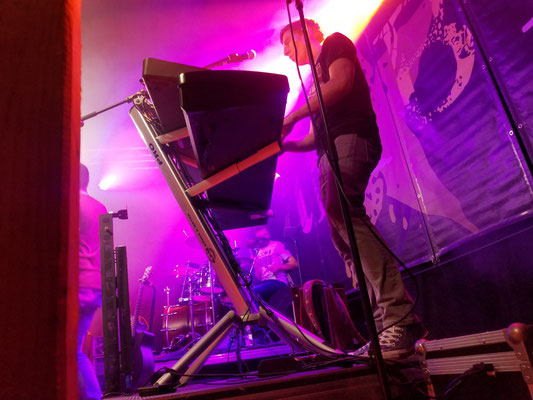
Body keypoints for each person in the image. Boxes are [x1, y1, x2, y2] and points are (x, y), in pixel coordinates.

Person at [280, 19, 426, 358]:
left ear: (306, 32)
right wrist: (284, 146)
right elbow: (314, 137)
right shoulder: (312, 84)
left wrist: (292, 117)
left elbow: (343, 84)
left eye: (288, 42)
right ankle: (386, 329)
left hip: (350, 138)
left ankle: (400, 318)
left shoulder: (334, 43)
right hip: (327, 151)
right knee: (342, 236)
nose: (285, 52)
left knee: (345, 212)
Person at [78, 164, 107, 399]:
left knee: (70, 351)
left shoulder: (71, 205)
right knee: (73, 350)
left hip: (76, 283)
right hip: (93, 284)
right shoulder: (99, 206)